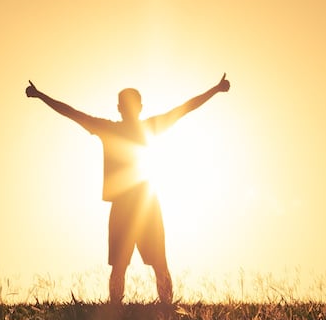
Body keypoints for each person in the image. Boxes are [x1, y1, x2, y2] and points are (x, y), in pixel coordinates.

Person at [26, 74, 230, 304]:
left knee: (148, 264)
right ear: (125, 108)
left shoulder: (116, 128)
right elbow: (72, 113)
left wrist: (214, 89)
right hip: (137, 204)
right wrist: (41, 95)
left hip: (143, 204)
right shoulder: (133, 127)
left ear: (123, 108)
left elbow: (184, 108)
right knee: (129, 265)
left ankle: (153, 307)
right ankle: (132, 308)